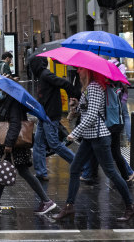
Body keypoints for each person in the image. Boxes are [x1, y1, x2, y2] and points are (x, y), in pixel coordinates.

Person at [53, 67, 134, 221]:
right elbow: (88, 112)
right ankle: (69, 206)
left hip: (99, 137)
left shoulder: (95, 87)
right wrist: (76, 107)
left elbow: (91, 116)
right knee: (75, 168)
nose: (78, 72)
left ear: (88, 72)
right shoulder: (88, 88)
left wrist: (74, 133)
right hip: (90, 137)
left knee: (111, 172)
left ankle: (130, 206)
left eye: (81, 70)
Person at [0, 94, 56, 215]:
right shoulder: (7, 101)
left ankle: (46, 201)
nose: (0, 91)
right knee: (5, 169)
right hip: (11, 144)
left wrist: (8, 144)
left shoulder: (13, 102)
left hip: (13, 145)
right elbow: (8, 119)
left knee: (19, 171)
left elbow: (15, 124)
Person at [29, 56, 82, 181]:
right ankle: (41, 172)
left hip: (50, 115)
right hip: (44, 115)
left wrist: (73, 96)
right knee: (38, 143)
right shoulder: (42, 76)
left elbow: (65, 84)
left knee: (54, 144)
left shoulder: (46, 75)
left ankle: (78, 165)